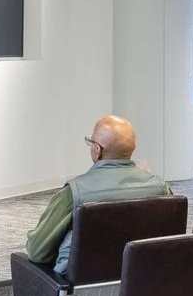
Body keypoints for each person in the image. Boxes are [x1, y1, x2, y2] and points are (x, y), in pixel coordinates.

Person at [20, 115, 172, 276]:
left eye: (91, 142)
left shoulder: (74, 193)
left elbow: (37, 252)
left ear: (97, 150)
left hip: (79, 292)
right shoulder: (162, 188)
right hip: (144, 281)